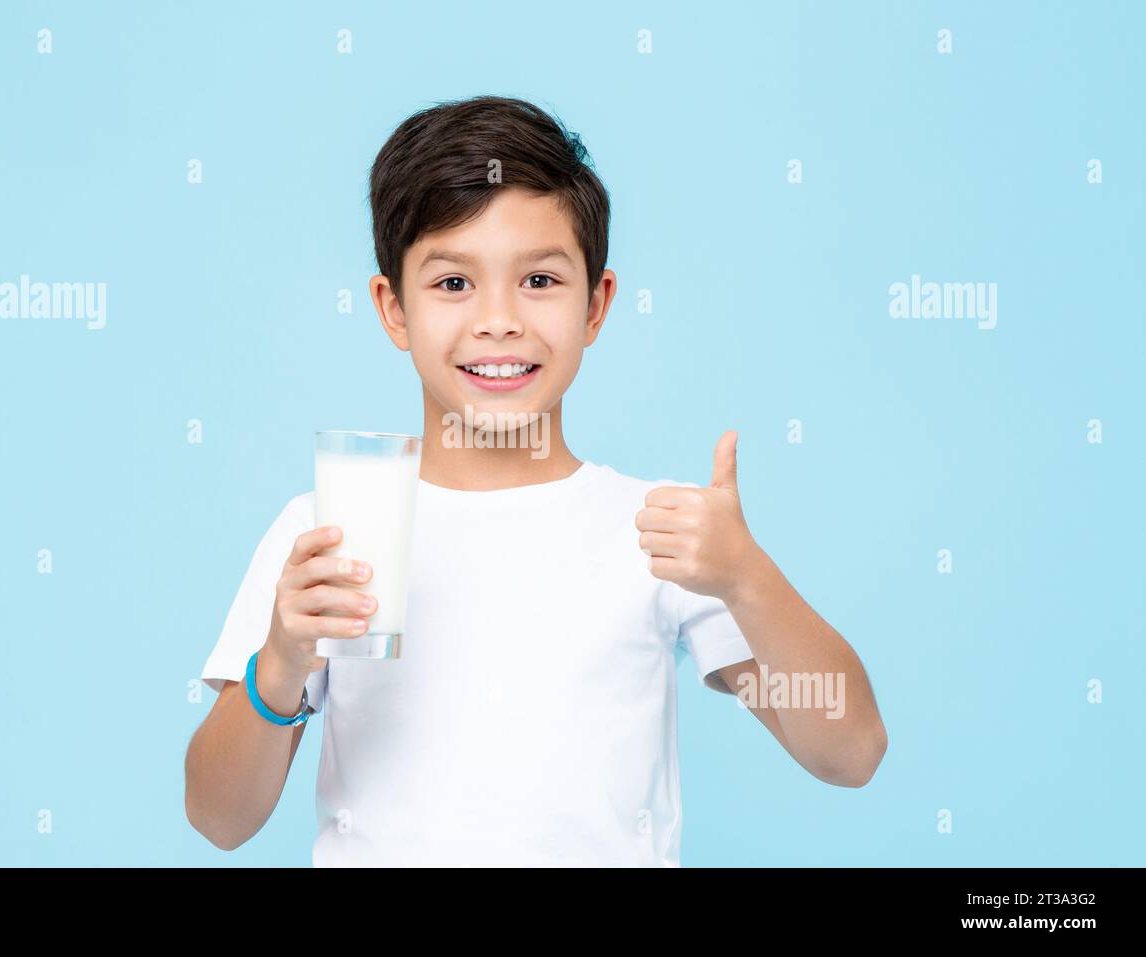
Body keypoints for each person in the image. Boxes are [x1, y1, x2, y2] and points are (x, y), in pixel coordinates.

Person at [184, 94, 887, 866]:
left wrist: (747, 576)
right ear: (393, 309)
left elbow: (849, 752)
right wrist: (281, 663)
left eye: (540, 281)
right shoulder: (327, 532)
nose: (498, 321)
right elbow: (220, 817)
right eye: (453, 283)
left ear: (597, 305)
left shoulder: (656, 533)